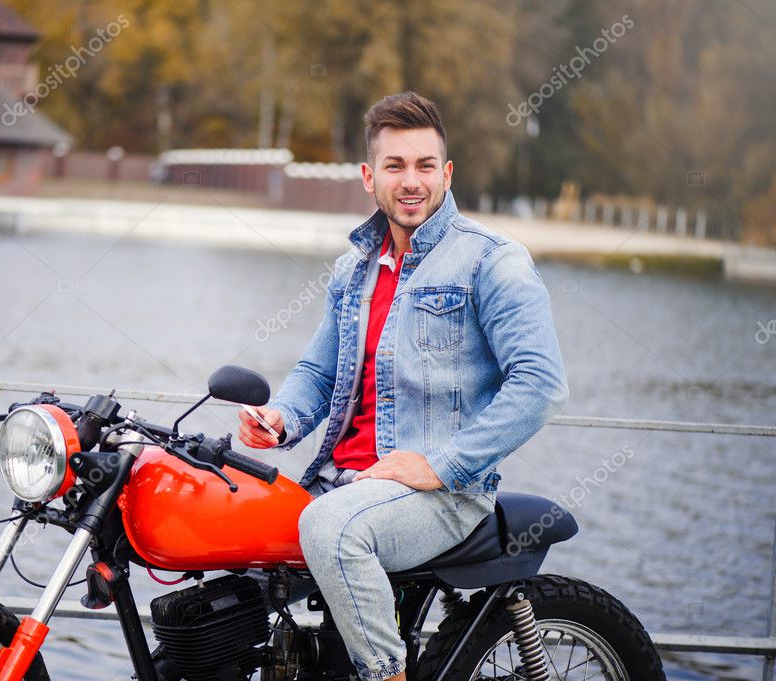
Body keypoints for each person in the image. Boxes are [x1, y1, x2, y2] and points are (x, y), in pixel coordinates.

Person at [237, 91, 568, 681]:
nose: (410, 181)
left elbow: (540, 383)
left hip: (443, 495)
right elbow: (319, 372)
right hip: (339, 482)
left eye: (423, 166)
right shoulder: (353, 269)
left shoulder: (491, 261)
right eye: (395, 166)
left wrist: (439, 465)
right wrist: (282, 417)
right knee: (225, 521)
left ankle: (386, 674)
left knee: (327, 527)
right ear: (370, 177)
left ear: (447, 173)